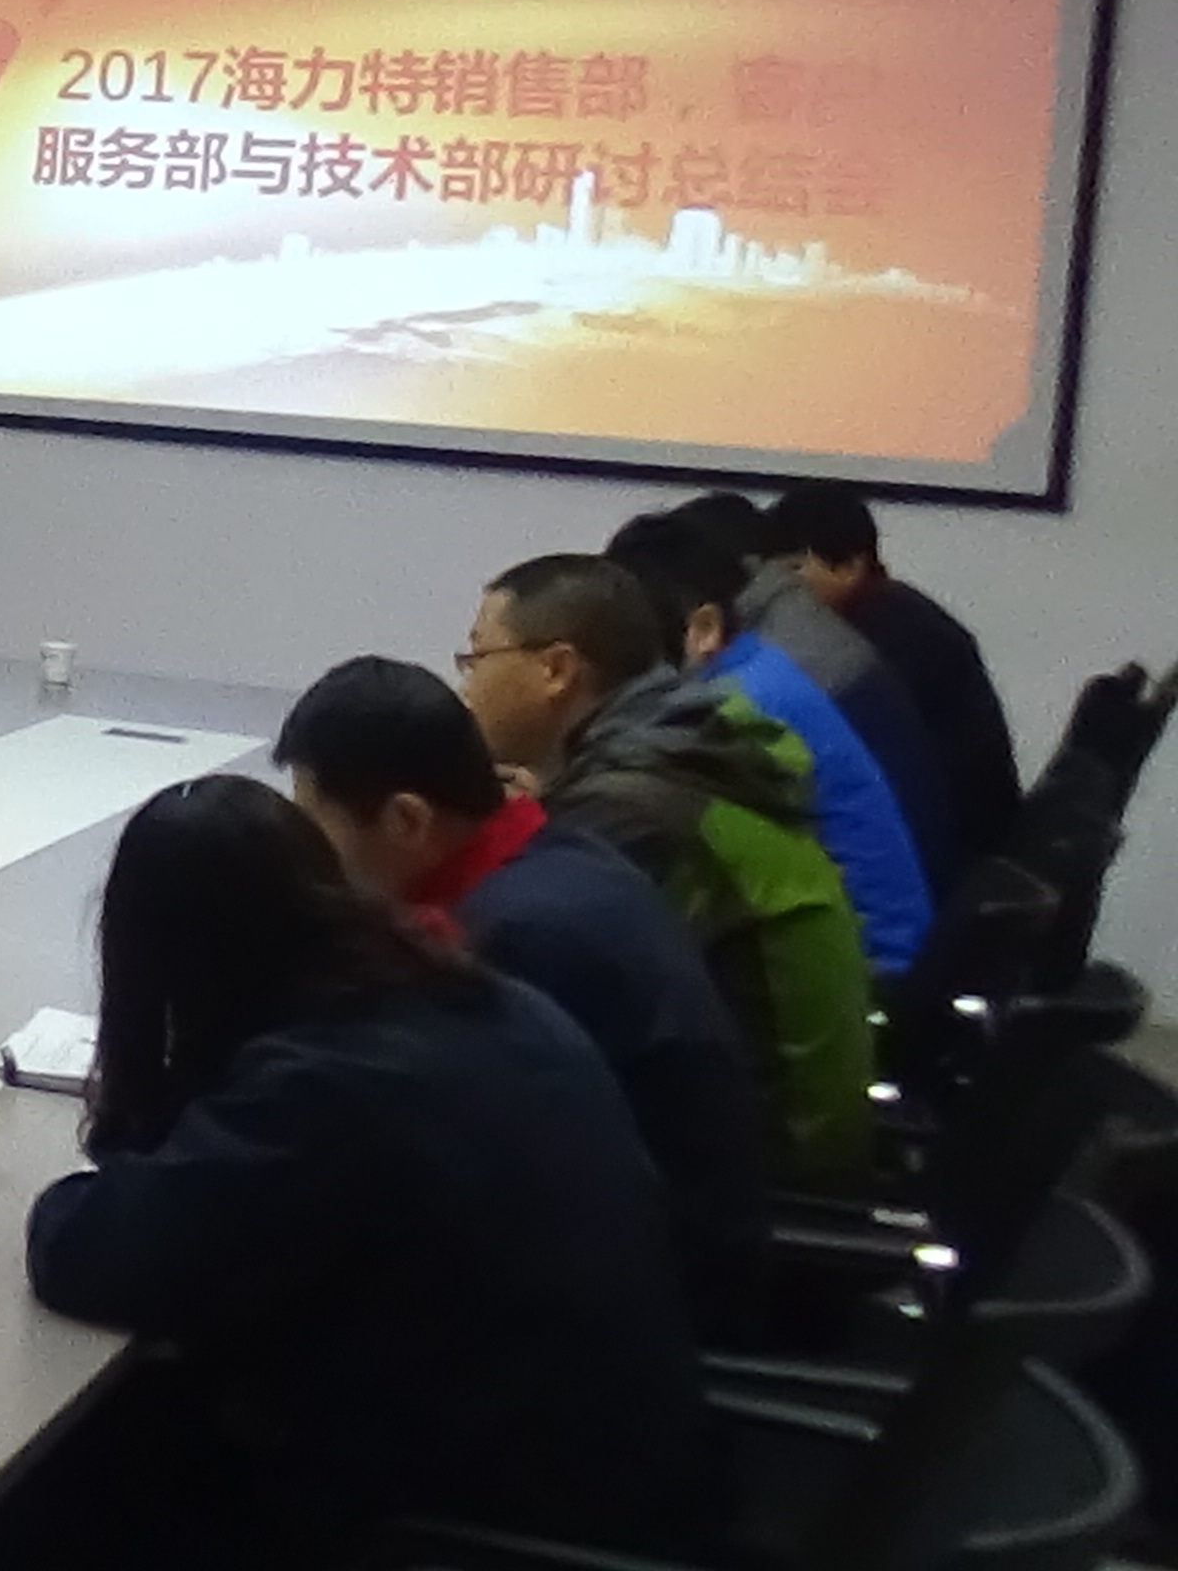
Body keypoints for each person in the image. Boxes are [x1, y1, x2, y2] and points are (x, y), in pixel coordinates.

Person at [24, 775, 705, 1568]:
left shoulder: (319, 1092)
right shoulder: (474, 996)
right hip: (621, 1481)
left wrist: (139, 1108)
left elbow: (89, 1252)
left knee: (63, 1492)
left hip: (474, 1525)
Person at [280, 655, 770, 1339]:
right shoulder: (556, 856)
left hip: (652, 1308)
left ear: (406, 820)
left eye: (315, 829)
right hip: (661, 1257)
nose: (308, 860)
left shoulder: (506, 942)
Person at [460, 553, 877, 1187]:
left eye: (477, 656)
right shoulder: (679, 748)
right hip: (784, 1129)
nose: (467, 686)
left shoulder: (633, 810)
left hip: (766, 1173)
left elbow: (527, 978)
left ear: (556, 669)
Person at [608, 512, 931, 975]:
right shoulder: (758, 666)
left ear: (703, 627)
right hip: (878, 950)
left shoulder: (734, 706)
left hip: (869, 971)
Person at [668, 490, 960, 894]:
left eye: (798, 566)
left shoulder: (798, 657)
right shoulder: (846, 630)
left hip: (917, 885)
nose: (795, 584)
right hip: (930, 874)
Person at [768, 480, 1027, 872]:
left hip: (946, 858)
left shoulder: (879, 643)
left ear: (850, 566)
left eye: (794, 569)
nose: (780, 589)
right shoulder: (889, 613)